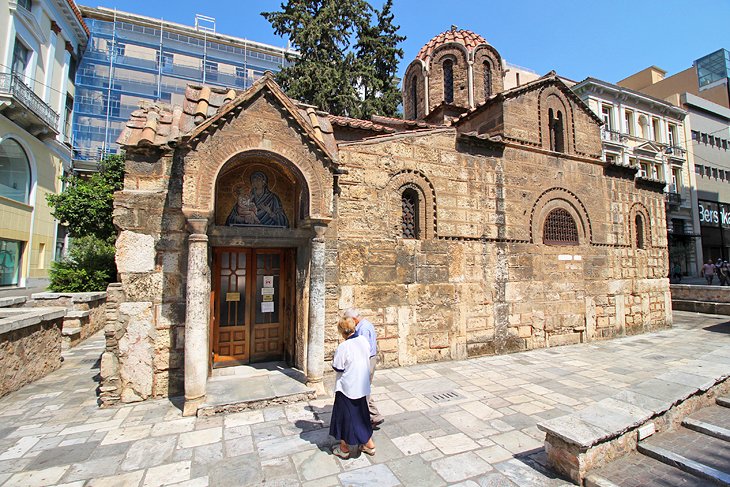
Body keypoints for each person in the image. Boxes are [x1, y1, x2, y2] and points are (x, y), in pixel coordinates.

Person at [329, 317, 376, 459]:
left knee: (345, 418)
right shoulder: (363, 340)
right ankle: (369, 444)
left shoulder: (344, 347)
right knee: (361, 416)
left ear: (342, 332)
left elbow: (338, 366)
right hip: (361, 386)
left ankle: (344, 448)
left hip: (347, 387)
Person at [344, 308, 384, 427]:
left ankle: (369, 417)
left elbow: (363, 348)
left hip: (366, 360)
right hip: (368, 359)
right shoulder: (365, 324)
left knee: (362, 390)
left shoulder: (363, 328)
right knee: (363, 389)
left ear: (354, 319)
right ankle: (373, 416)